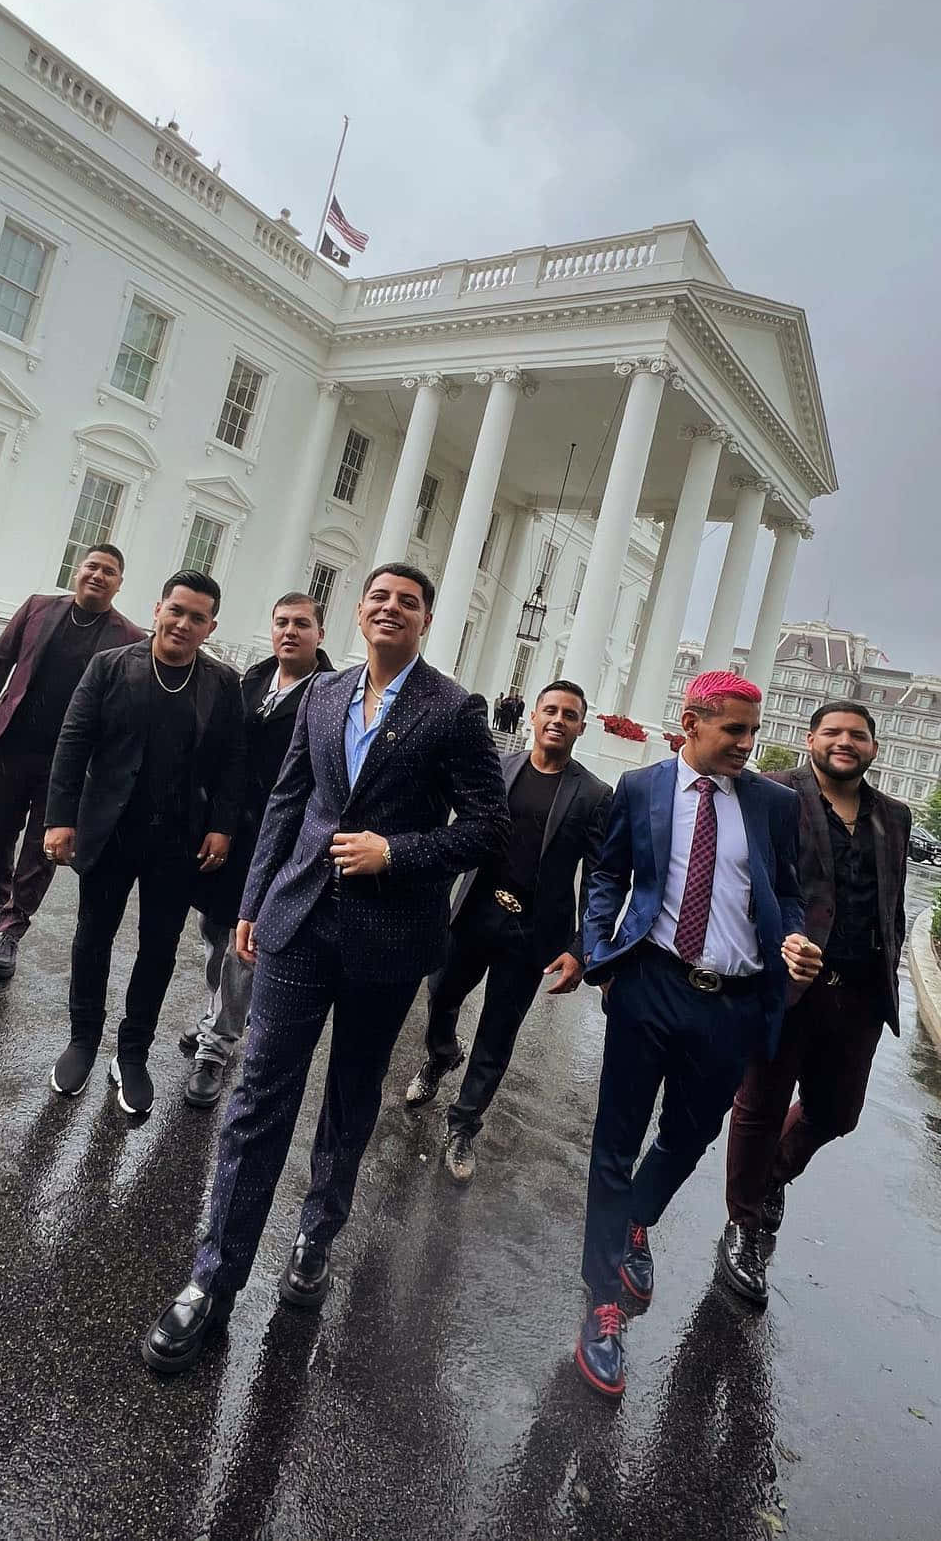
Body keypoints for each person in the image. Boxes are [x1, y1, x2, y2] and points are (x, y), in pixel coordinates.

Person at [140, 563, 509, 1375]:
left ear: (425, 619)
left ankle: (315, 1234)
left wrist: (398, 852)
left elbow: (488, 827)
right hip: (300, 923)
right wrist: (253, 899)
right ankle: (213, 1279)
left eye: (407, 601)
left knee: (349, 1099)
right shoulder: (324, 693)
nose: (389, 607)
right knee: (259, 1095)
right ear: (359, 610)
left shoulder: (454, 711)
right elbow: (287, 801)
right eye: (377, 596)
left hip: (387, 939)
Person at [573, 671, 819, 1401]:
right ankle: (602, 1305)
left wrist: (797, 938)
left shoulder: (773, 804)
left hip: (733, 1004)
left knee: (688, 1136)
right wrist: (600, 954)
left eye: (753, 730)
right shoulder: (643, 788)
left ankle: (635, 1222)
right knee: (614, 1143)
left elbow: (792, 892)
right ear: (692, 721)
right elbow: (608, 875)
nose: (748, 744)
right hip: (649, 983)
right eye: (734, 731)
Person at [719, 701, 910, 1305]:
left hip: (858, 992)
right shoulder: (773, 794)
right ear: (810, 739)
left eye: (857, 735)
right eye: (832, 732)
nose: (844, 742)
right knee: (759, 1105)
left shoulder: (894, 817)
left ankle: (769, 1175)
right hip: (785, 985)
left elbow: (892, 901)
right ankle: (744, 1225)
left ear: (874, 748)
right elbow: (740, 882)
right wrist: (769, 949)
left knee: (838, 1111)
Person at [42, 571, 245, 1117]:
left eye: (197, 617)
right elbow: (73, 741)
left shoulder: (222, 684)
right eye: (176, 610)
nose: (183, 622)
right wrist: (59, 819)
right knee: (94, 936)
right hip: (110, 830)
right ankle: (83, 1041)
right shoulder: (110, 666)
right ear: (158, 608)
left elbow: (232, 763)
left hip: (178, 842)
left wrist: (222, 826)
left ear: (210, 627)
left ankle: (132, 1054)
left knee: (158, 949)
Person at [405, 679, 611, 1182]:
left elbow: (601, 876)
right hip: (475, 911)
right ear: (532, 717)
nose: (558, 720)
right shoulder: (498, 768)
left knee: (499, 1031)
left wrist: (582, 948)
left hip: (532, 933)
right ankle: (440, 1057)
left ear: (581, 725)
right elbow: (459, 834)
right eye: (551, 710)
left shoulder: (594, 794)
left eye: (569, 714)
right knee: (440, 994)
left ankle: (463, 1125)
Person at [0, 545, 145, 980]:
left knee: (42, 851)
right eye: (93, 566)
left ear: (119, 583)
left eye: (109, 571)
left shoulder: (130, 638)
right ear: (78, 571)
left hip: (69, 766)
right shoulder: (38, 608)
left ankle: (12, 927)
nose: (99, 575)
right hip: (11, 744)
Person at [179, 591, 334, 1110]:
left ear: (320, 634)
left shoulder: (331, 695)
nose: (290, 632)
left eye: (302, 624)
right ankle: (215, 1015)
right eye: (282, 622)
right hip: (228, 830)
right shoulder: (249, 681)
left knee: (244, 946)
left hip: (280, 843)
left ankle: (216, 1049)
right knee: (211, 931)